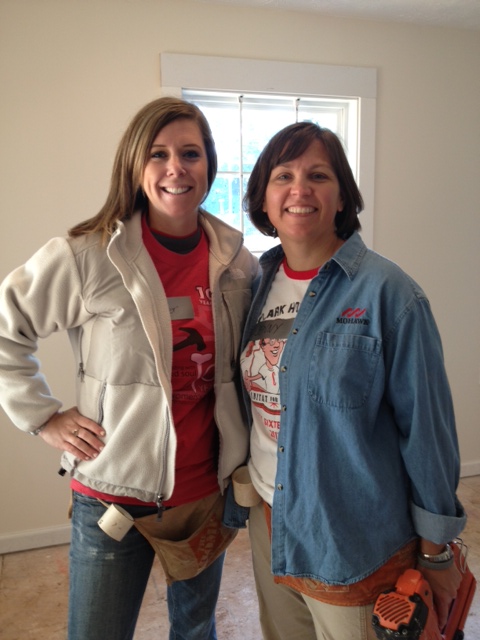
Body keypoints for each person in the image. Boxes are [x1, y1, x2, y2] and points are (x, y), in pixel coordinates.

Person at [0, 96, 258, 640]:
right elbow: (6, 327)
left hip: (205, 496)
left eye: (191, 153)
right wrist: (43, 418)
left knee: (197, 632)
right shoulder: (88, 255)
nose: (176, 168)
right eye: (159, 154)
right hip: (113, 501)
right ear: (135, 165)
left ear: (208, 164)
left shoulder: (235, 262)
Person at [238, 122, 466, 640]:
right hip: (270, 523)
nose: (300, 189)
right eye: (283, 176)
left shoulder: (391, 293)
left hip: (353, 537)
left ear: (341, 196)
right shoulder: (254, 284)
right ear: (264, 198)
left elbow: (427, 431)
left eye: (318, 175)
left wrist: (434, 550)